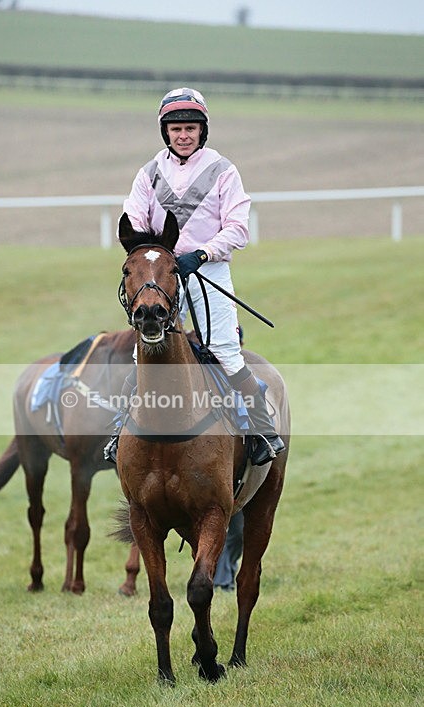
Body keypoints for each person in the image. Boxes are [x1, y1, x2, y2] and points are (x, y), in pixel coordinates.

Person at [105, 87, 284, 466]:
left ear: (202, 131)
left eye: (189, 128)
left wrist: (201, 254)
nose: (183, 135)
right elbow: (135, 218)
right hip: (163, 274)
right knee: (147, 353)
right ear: (164, 133)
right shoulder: (149, 173)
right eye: (175, 129)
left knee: (224, 350)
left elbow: (237, 227)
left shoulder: (223, 170)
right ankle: (119, 432)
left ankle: (262, 430)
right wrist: (147, 253)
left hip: (209, 272)